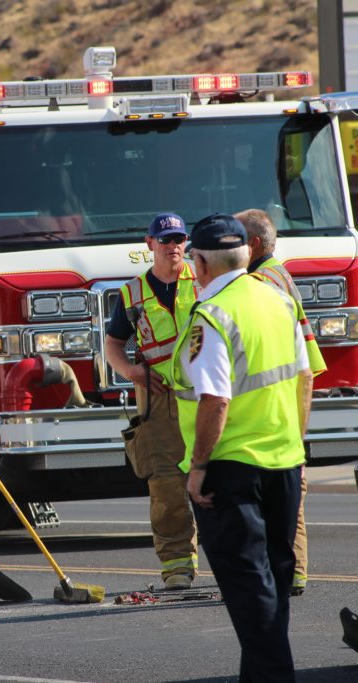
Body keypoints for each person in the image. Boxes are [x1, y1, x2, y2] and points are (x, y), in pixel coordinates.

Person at [172, 213, 312, 682]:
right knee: (271, 581)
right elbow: (305, 377)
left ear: (201, 264)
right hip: (284, 461)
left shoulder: (212, 314)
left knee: (250, 590)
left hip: (231, 469)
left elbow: (215, 399)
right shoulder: (279, 300)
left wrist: (197, 469)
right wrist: (295, 443)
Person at [104, 212, 199, 590]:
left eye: (178, 239)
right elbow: (112, 344)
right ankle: (177, 565)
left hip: (203, 393)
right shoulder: (132, 293)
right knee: (165, 483)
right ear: (149, 244)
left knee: (219, 476)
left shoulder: (204, 280)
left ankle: (233, 561)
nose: (173, 246)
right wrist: (131, 373)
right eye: (165, 240)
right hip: (157, 399)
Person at [236, 208, 326, 597]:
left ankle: (288, 572)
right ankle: (295, 573)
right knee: (290, 489)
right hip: (291, 394)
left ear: (253, 244)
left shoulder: (260, 282)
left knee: (281, 494)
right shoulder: (279, 273)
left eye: (236, 239)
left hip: (280, 400)